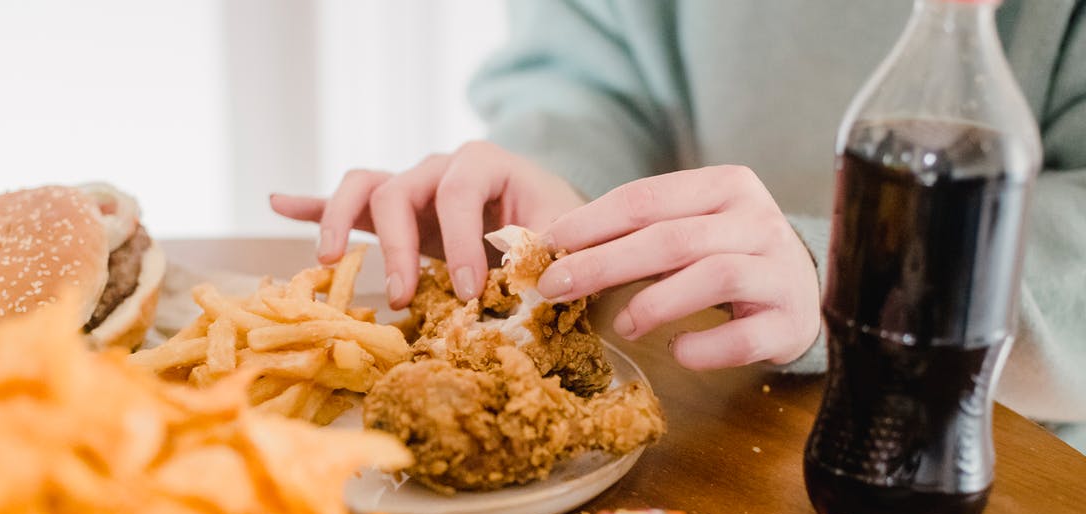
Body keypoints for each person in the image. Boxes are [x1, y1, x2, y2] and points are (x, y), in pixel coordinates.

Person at [270, 0, 1086, 448]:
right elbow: (591, 57)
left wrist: (849, 274)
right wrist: (563, 195)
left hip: (1000, 439)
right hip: (710, 411)